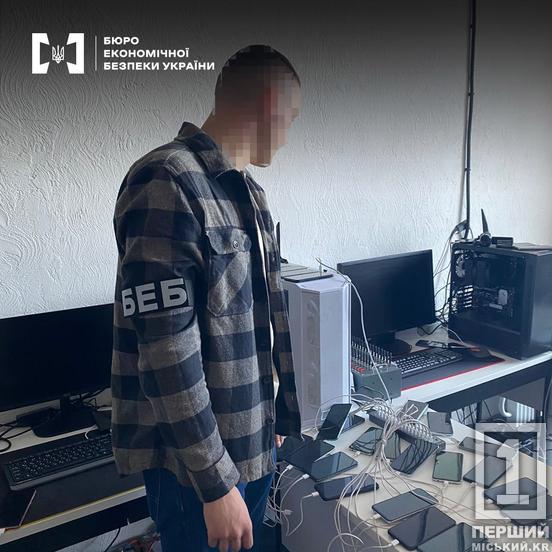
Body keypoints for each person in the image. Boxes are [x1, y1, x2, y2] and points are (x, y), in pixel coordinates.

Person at [111, 44, 302, 552]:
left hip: (251, 444)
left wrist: (270, 416)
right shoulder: (166, 180)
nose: (289, 134)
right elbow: (166, 352)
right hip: (196, 473)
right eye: (291, 118)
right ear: (269, 104)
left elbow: (254, 322)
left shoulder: (250, 194)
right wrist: (216, 484)